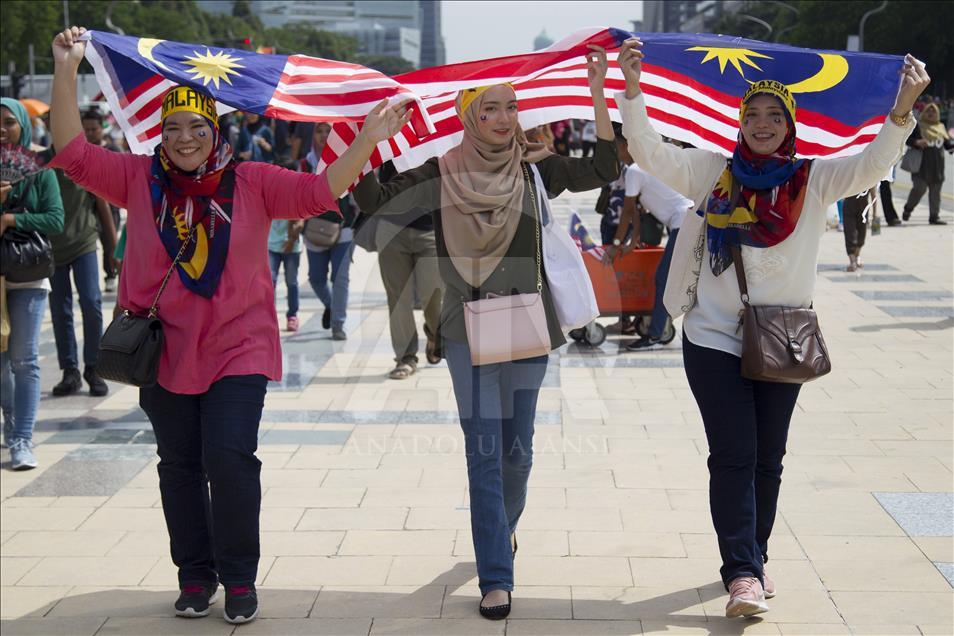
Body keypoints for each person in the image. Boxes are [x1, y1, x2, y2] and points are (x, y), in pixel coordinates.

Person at [49, 25, 410, 624]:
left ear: (216, 131)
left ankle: (239, 577)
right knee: (179, 465)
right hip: (162, 351)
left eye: (196, 127)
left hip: (239, 348)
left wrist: (368, 138)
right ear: (159, 134)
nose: (185, 138)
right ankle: (195, 575)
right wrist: (67, 67)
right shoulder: (139, 179)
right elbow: (71, 153)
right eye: (172, 128)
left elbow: (323, 189)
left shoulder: (253, 181)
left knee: (230, 458)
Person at [615, 37, 929, 618]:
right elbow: (653, 154)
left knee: (768, 458)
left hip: (783, 340)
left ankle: (753, 560)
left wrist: (902, 109)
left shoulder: (814, 180)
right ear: (739, 122)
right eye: (752, 114)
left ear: (790, 125)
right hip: (712, 339)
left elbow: (873, 165)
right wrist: (633, 91)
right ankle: (740, 573)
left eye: (773, 116)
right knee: (734, 454)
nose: (762, 124)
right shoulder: (713, 171)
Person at [354, 46, 618, 619]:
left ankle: (502, 530)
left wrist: (597, 95)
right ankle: (496, 575)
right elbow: (374, 203)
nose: (504, 119)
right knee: (485, 454)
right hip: (463, 328)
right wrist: (369, 139)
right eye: (491, 108)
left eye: (510, 107)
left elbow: (603, 168)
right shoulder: (442, 172)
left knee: (518, 453)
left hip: (527, 321)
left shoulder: (532, 167)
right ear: (469, 114)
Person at [0, 98, 65, 469]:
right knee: (1, 361)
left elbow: (55, 220)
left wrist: (11, 218)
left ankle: (22, 439)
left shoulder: (40, 169)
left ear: (23, 125)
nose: (2, 129)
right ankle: (12, 425)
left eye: (9, 122)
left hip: (27, 273)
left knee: (24, 359)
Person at [47, 150, 112, 397]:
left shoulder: (81, 159)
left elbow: (102, 203)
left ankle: (94, 367)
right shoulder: (42, 163)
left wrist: (111, 247)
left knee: (92, 303)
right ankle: (70, 371)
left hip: (84, 242)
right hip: (53, 247)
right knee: (60, 309)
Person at [609, 161, 693, 351]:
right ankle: (658, 325)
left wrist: (616, 244)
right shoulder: (642, 168)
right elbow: (638, 212)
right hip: (686, 222)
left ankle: (655, 335)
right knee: (669, 278)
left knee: (663, 278)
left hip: (684, 223)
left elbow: (628, 211)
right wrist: (631, 242)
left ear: (625, 145)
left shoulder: (635, 170)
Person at [375, 161, 443, 379]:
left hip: (431, 229)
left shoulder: (437, 138)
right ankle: (405, 358)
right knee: (398, 297)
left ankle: (434, 333)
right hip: (391, 227)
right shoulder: (388, 137)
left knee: (433, 296)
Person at [301, 123, 355, 340]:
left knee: (340, 278)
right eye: (319, 131)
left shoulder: (348, 160)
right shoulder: (306, 163)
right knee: (316, 278)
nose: (324, 136)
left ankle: (338, 324)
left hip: (344, 229)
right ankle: (331, 306)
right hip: (315, 229)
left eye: (328, 131)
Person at [81, 108, 121, 291]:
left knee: (109, 241)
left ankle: (110, 274)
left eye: (93, 129)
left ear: (101, 128)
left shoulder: (113, 150)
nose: (89, 133)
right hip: (85, 206)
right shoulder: (81, 151)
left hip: (110, 204)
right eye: (86, 130)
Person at [901, 102, 953, 225]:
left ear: (938, 114)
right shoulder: (918, 126)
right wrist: (917, 142)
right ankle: (908, 208)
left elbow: (947, 146)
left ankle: (934, 216)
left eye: (933, 111)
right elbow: (907, 140)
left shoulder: (941, 127)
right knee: (919, 189)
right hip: (921, 167)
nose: (931, 114)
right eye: (928, 111)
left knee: (935, 193)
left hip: (937, 167)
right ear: (924, 113)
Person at [267, 160, 304, 332]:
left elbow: (300, 221)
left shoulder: (297, 194)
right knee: (270, 281)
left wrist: (291, 239)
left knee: (292, 282)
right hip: (272, 244)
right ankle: (269, 316)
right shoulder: (270, 193)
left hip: (292, 247)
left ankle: (292, 315)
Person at [842, 188, 876, 272]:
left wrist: (875, 213)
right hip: (848, 206)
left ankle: (857, 256)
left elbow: (873, 195)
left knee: (862, 235)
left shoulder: (870, 176)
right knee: (850, 233)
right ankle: (852, 261)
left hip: (863, 208)